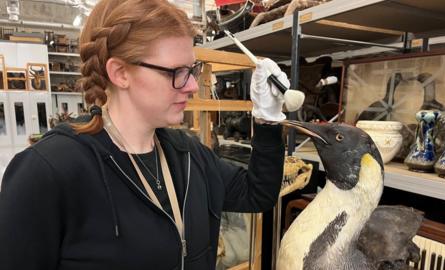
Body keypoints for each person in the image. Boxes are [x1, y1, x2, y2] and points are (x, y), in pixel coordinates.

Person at [0, 0, 291, 269]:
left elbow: (258, 194)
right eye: (177, 71)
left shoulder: (188, 155)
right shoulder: (47, 172)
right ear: (120, 73)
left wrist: (267, 120)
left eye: (192, 69)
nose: (191, 85)